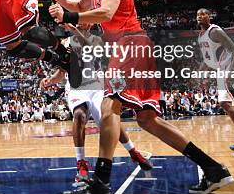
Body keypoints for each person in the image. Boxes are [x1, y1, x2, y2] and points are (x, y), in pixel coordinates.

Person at [48, 0, 233, 194]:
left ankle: (100, 182)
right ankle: (213, 169)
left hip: (130, 43)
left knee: (109, 105)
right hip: (132, 47)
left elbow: (105, 12)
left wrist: (66, 18)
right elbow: (80, 7)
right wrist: (60, 2)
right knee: (148, 120)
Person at [40, 24, 152, 184]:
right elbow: (63, 70)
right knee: (79, 115)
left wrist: (74, 30)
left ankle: (133, 152)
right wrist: (50, 80)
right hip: (76, 87)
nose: (79, 22)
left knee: (109, 121)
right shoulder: (65, 43)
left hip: (97, 86)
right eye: (77, 19)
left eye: (82, 19)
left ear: (90, 23)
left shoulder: (98, 40)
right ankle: (81, 164)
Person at [196, 8, 234, 157]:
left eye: (203, 14)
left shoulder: (215, 31)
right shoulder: (201, 36)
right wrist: (200, 70)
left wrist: (230, 71)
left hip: (231, 68)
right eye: (198, 14)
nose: (200, 16)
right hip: (222, 69)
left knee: (225, 103)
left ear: (209, 17)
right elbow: (208, 58)